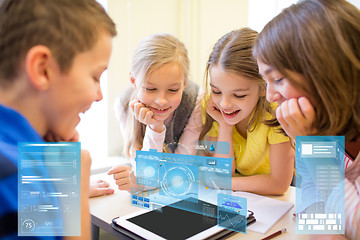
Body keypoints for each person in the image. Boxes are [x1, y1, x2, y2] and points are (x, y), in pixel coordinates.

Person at [0, 0, 116, 239]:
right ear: (42, 69)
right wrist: (74, 184)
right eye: (95, 76)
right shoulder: (13, 175)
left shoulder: (21, 157)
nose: (99, 95)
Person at [254, 0, 360, 239]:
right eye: (266, 81)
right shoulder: (313, 125)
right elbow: (311, 204)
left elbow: (356, 223)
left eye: (278, 79)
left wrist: (313, 143)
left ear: (327, 72)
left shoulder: (311, 134)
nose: (270, 95)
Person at [200, 28, 294, 195]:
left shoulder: (276, 112)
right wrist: (225, 127)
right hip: (241, 190)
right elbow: (223, 173)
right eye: (216, 91)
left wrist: (226, 183)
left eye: (239, 95)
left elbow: (279, 184)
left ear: (264, 87)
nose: (225, 104)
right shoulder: (212, 107)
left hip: (277, 195)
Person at [109, 33, 202, 192]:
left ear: (184, 84)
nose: (161, 100)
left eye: (173, 90)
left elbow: (180, 171)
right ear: (134, 81)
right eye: (150, 89)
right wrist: (155, 127)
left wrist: (143, 182)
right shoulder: (123, 105)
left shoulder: (196, 100)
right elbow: (146, 174)